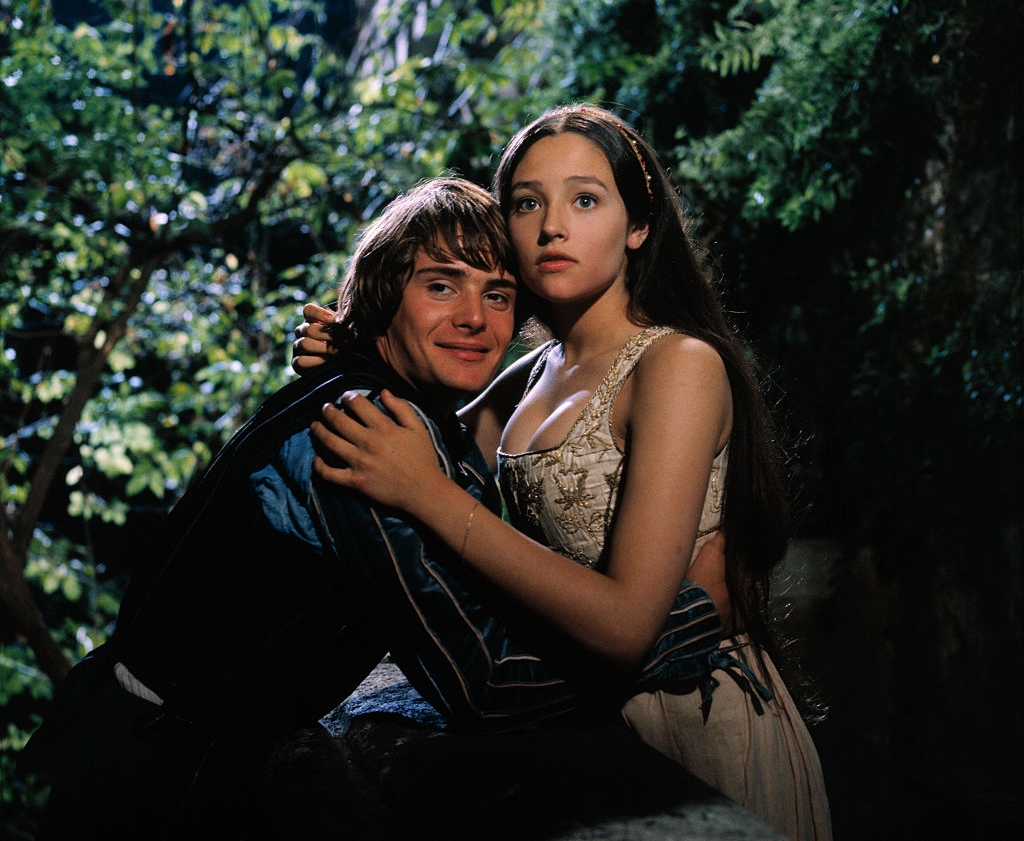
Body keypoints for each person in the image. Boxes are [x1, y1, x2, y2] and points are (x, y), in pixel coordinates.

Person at [25, 176, 728, 841]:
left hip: (149, 751)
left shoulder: (372, 396)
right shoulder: (367, 429)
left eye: (498, 294)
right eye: (441, 285)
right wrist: (695, 613)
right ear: (387, 292)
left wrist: (353, 340)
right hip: (158, 786)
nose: (473, 318)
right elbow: (487, 684)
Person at [301, 106, 833, 840]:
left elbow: (625, 626)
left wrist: (429, 496)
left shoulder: (677, 364)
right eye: (527, 204)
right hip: (584, 732)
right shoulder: (534, 375)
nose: (553, 226)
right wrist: (350, 350)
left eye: (585, 199)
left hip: (695, 720)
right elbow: (416, 426)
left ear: (637, 225)